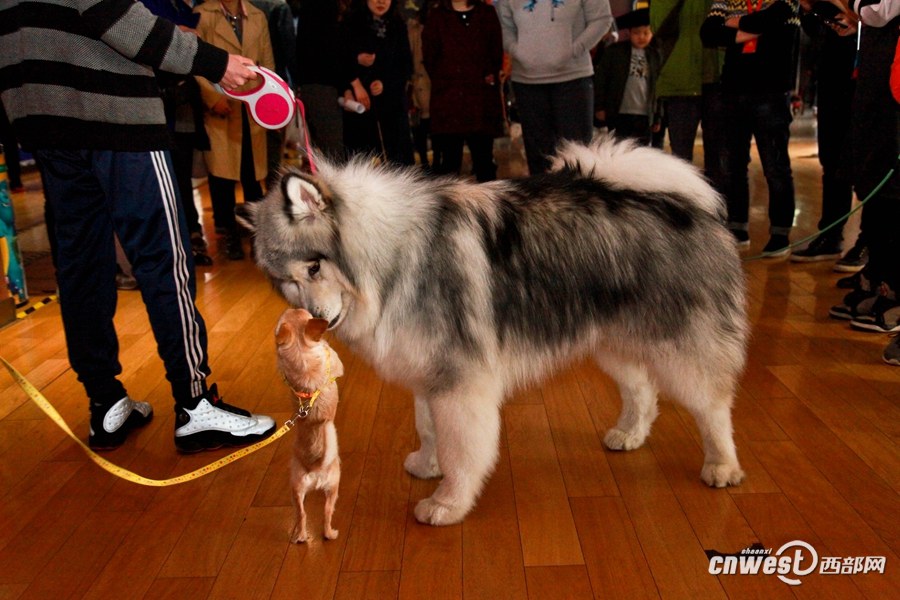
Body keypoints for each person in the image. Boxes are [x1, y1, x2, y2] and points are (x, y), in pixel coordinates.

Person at [0, 0, 277, 451]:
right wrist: (214, 62)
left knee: (82, 267)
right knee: (164, 261)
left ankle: (104, 402)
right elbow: (121, 23)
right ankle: (195, 405)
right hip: (116, 116)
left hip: (46, 124)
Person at [828, 0, 900, 366]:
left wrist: (851, 3)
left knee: (891, 186)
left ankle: (892, 288)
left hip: (893, 79)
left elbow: (880, 9)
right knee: (874, 181)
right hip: (880, 70)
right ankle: (879, 278)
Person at [700, 0, 800, 257]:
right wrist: (754, 28)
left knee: (775, 166)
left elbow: (777, 23)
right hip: (733, 90)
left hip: (772, 91)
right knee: (733, 165)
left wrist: (734, 25)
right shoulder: (727, 0)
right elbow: (708, 33)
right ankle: (737, 227)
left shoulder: (786, 1)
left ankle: (779, 233)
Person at [194, 0, 276, 261]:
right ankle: (227, 234)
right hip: (221, 107)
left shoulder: (257, 16)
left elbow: (267, 64)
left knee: (253, 176)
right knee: (222, 176)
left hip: (251, 107)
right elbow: (195, 61)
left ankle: (256, 235)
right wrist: (211, 98)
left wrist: (267, 99)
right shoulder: (202, 15)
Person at [496, 0, 613, 174]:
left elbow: (602, 20)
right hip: (527, 82)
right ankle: (543, 200)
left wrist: (575, 49)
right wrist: (518, 51)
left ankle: (579, 200)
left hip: (573, 79)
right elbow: (504, 27)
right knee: (538, 156)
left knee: (577, 155)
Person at [140, 0, 214, 268]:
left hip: (183, 105)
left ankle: (191, 236)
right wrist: (175, 32)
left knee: (182, 177)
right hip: (157, 110)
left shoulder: (185, 8)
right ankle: (175, 245)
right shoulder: (149, 5)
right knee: (164, 183)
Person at [791, 0, 861, 266]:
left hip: (865, 76)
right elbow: (815, 30)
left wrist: (849, 14)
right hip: (832, 76)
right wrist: (811, 10)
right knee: (832, 160)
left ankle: (868, 243)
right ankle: (831, 235)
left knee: (867, 164)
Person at [650, 0, 728, 193]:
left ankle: (718, 213)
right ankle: (684, 212)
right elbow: (657, 24)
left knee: (720, 157)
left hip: (721, 79)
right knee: (681, 160)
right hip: (681, 80)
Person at [423, 0, 505, 181]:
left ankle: (489, 210)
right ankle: (450, 210)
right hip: (448, 101)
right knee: (450, 167)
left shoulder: (487, 14)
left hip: (481, 100)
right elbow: (430, 59)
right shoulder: (437, 16)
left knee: (484, 164)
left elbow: (496, 53)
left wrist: (487, 75)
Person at [341, 0, 415, 164]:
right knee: (362, 160)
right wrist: (356, 61)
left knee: (397, 161)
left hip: (392, 106)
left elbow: (405, 66)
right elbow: (340, 59)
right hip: (361, 105)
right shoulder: (351, 23)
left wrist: (385, 84)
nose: (381, 2)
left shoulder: (397, 25)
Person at [594, 9, 662, 146]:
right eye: (636, 33)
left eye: (646, 33)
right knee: (619, 146)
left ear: (652, 34)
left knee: (642, 149)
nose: (641, 37)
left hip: (645, 114)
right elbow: (601, 80)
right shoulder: (614, 52)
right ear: (629, 33)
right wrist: (600, 107)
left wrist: (657, 117)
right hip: (619, 112)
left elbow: (658, 88)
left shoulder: (655, 56)